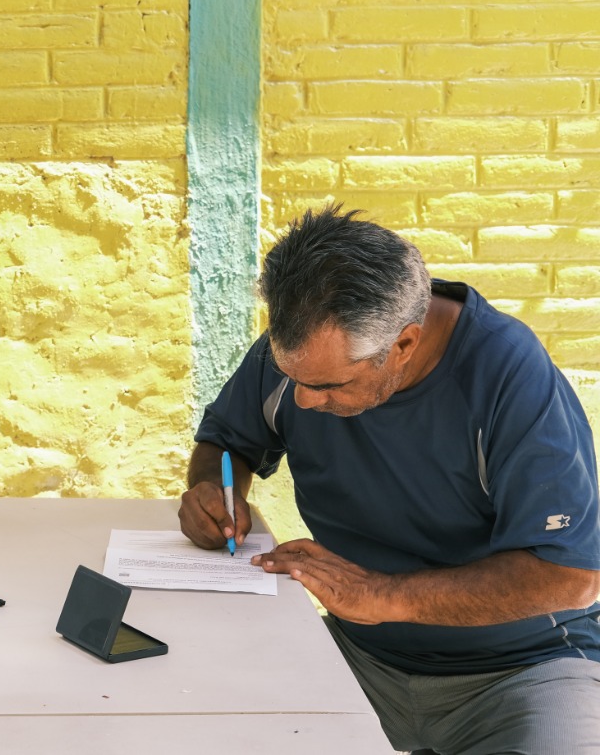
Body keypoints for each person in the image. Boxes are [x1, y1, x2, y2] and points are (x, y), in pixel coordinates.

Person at [179, 205, 600, 754]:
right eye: (291, 377)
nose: (304, 400)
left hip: (523, 670)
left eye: (329, 385)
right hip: (357, 658)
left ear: (402, 344)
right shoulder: (304, 354)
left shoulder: (507, 375)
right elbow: (228, 441)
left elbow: (570, 574)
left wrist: (383, 594)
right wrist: (215, 488)